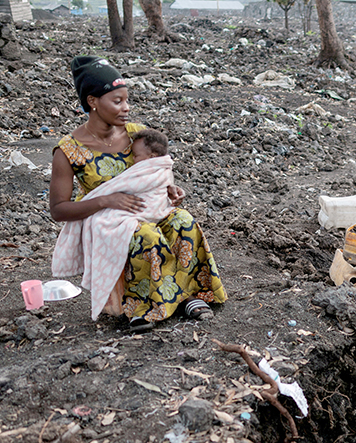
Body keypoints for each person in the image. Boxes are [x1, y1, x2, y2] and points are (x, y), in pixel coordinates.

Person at [50, 56, 226, 332]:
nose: (126, 108)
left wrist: (170, 187)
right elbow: (58, 210)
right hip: (108, 220)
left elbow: (155, 169)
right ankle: (141, 307)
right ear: (93, 101)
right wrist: (106, 200)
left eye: (126, 100)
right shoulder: (68, 150)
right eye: (117, 101)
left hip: (148, 208)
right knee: (146, 236)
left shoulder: (134, 134)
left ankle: (188, 294)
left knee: (183, 221)